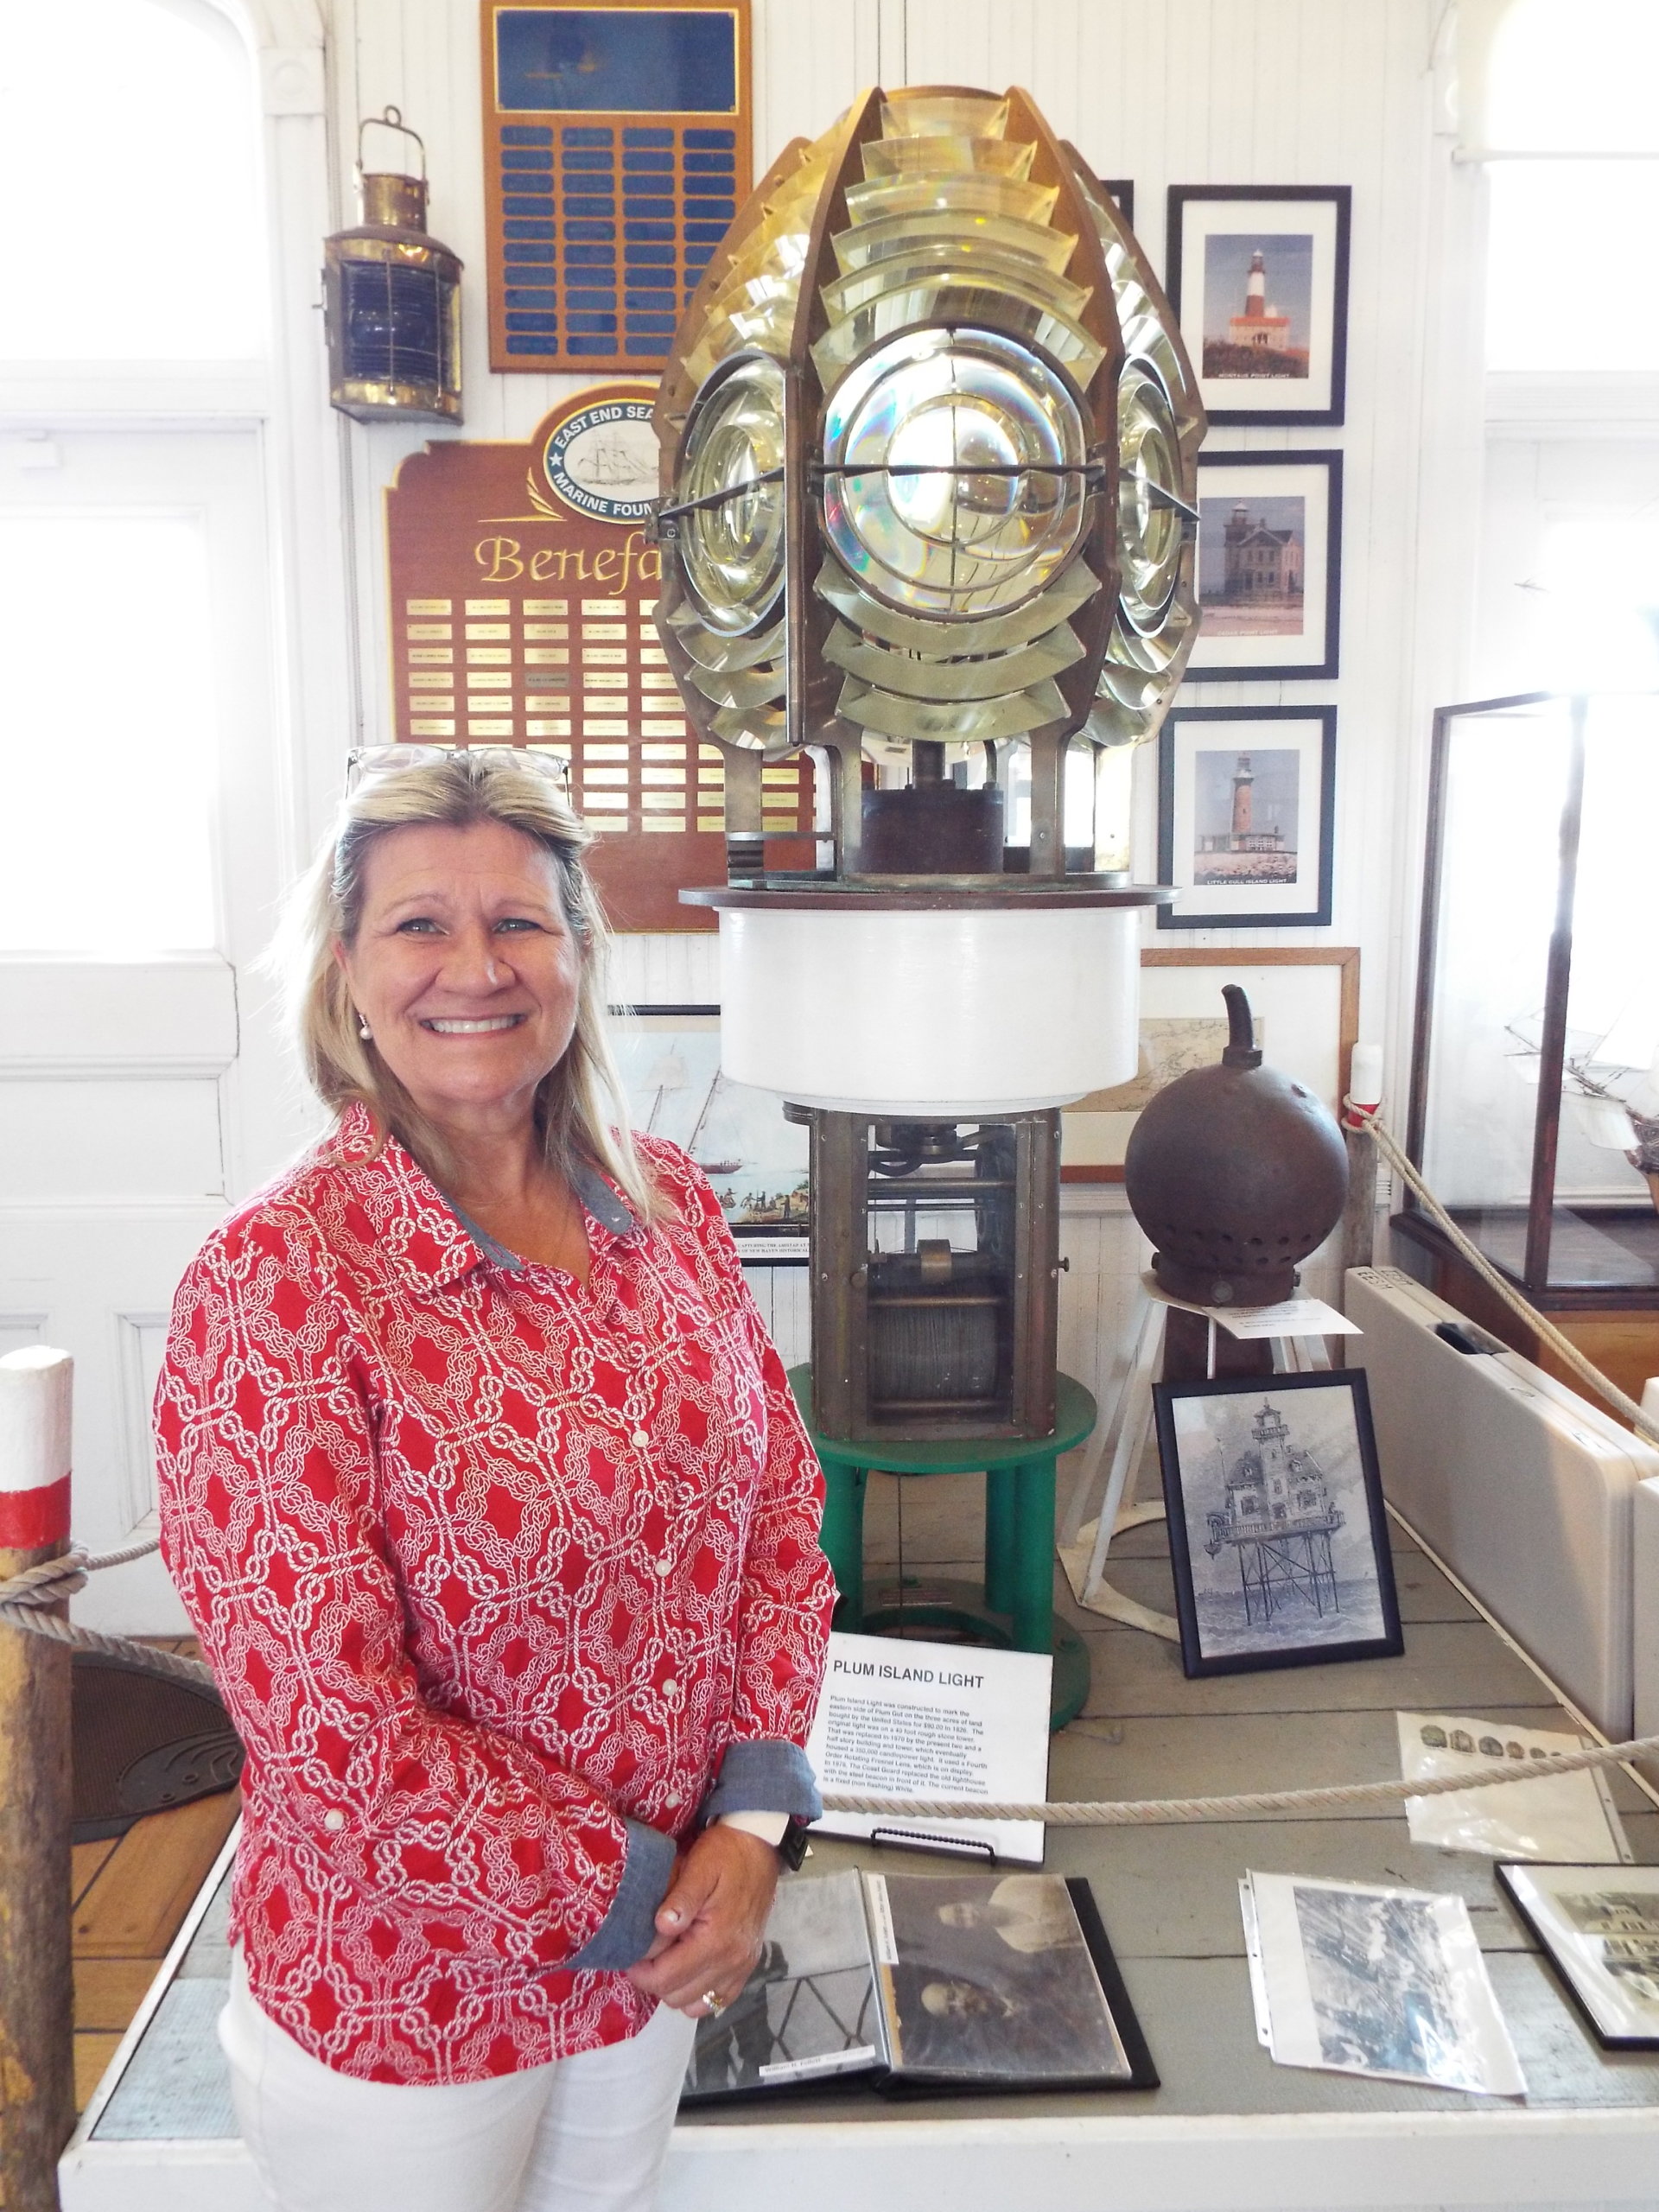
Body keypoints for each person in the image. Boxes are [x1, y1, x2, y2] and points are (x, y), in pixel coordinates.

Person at [154, 749, 836, 2212]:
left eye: (520, 923)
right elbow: (337, 1735)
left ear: (581, 954)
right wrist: (656, 1889)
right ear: (345, 971)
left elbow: (782, 1514)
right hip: (409, 2004)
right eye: (418, 925)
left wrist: (757, 1818)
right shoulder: (277, 1283)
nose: (476, 967)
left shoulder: (673, 1210)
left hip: (657, 1965)